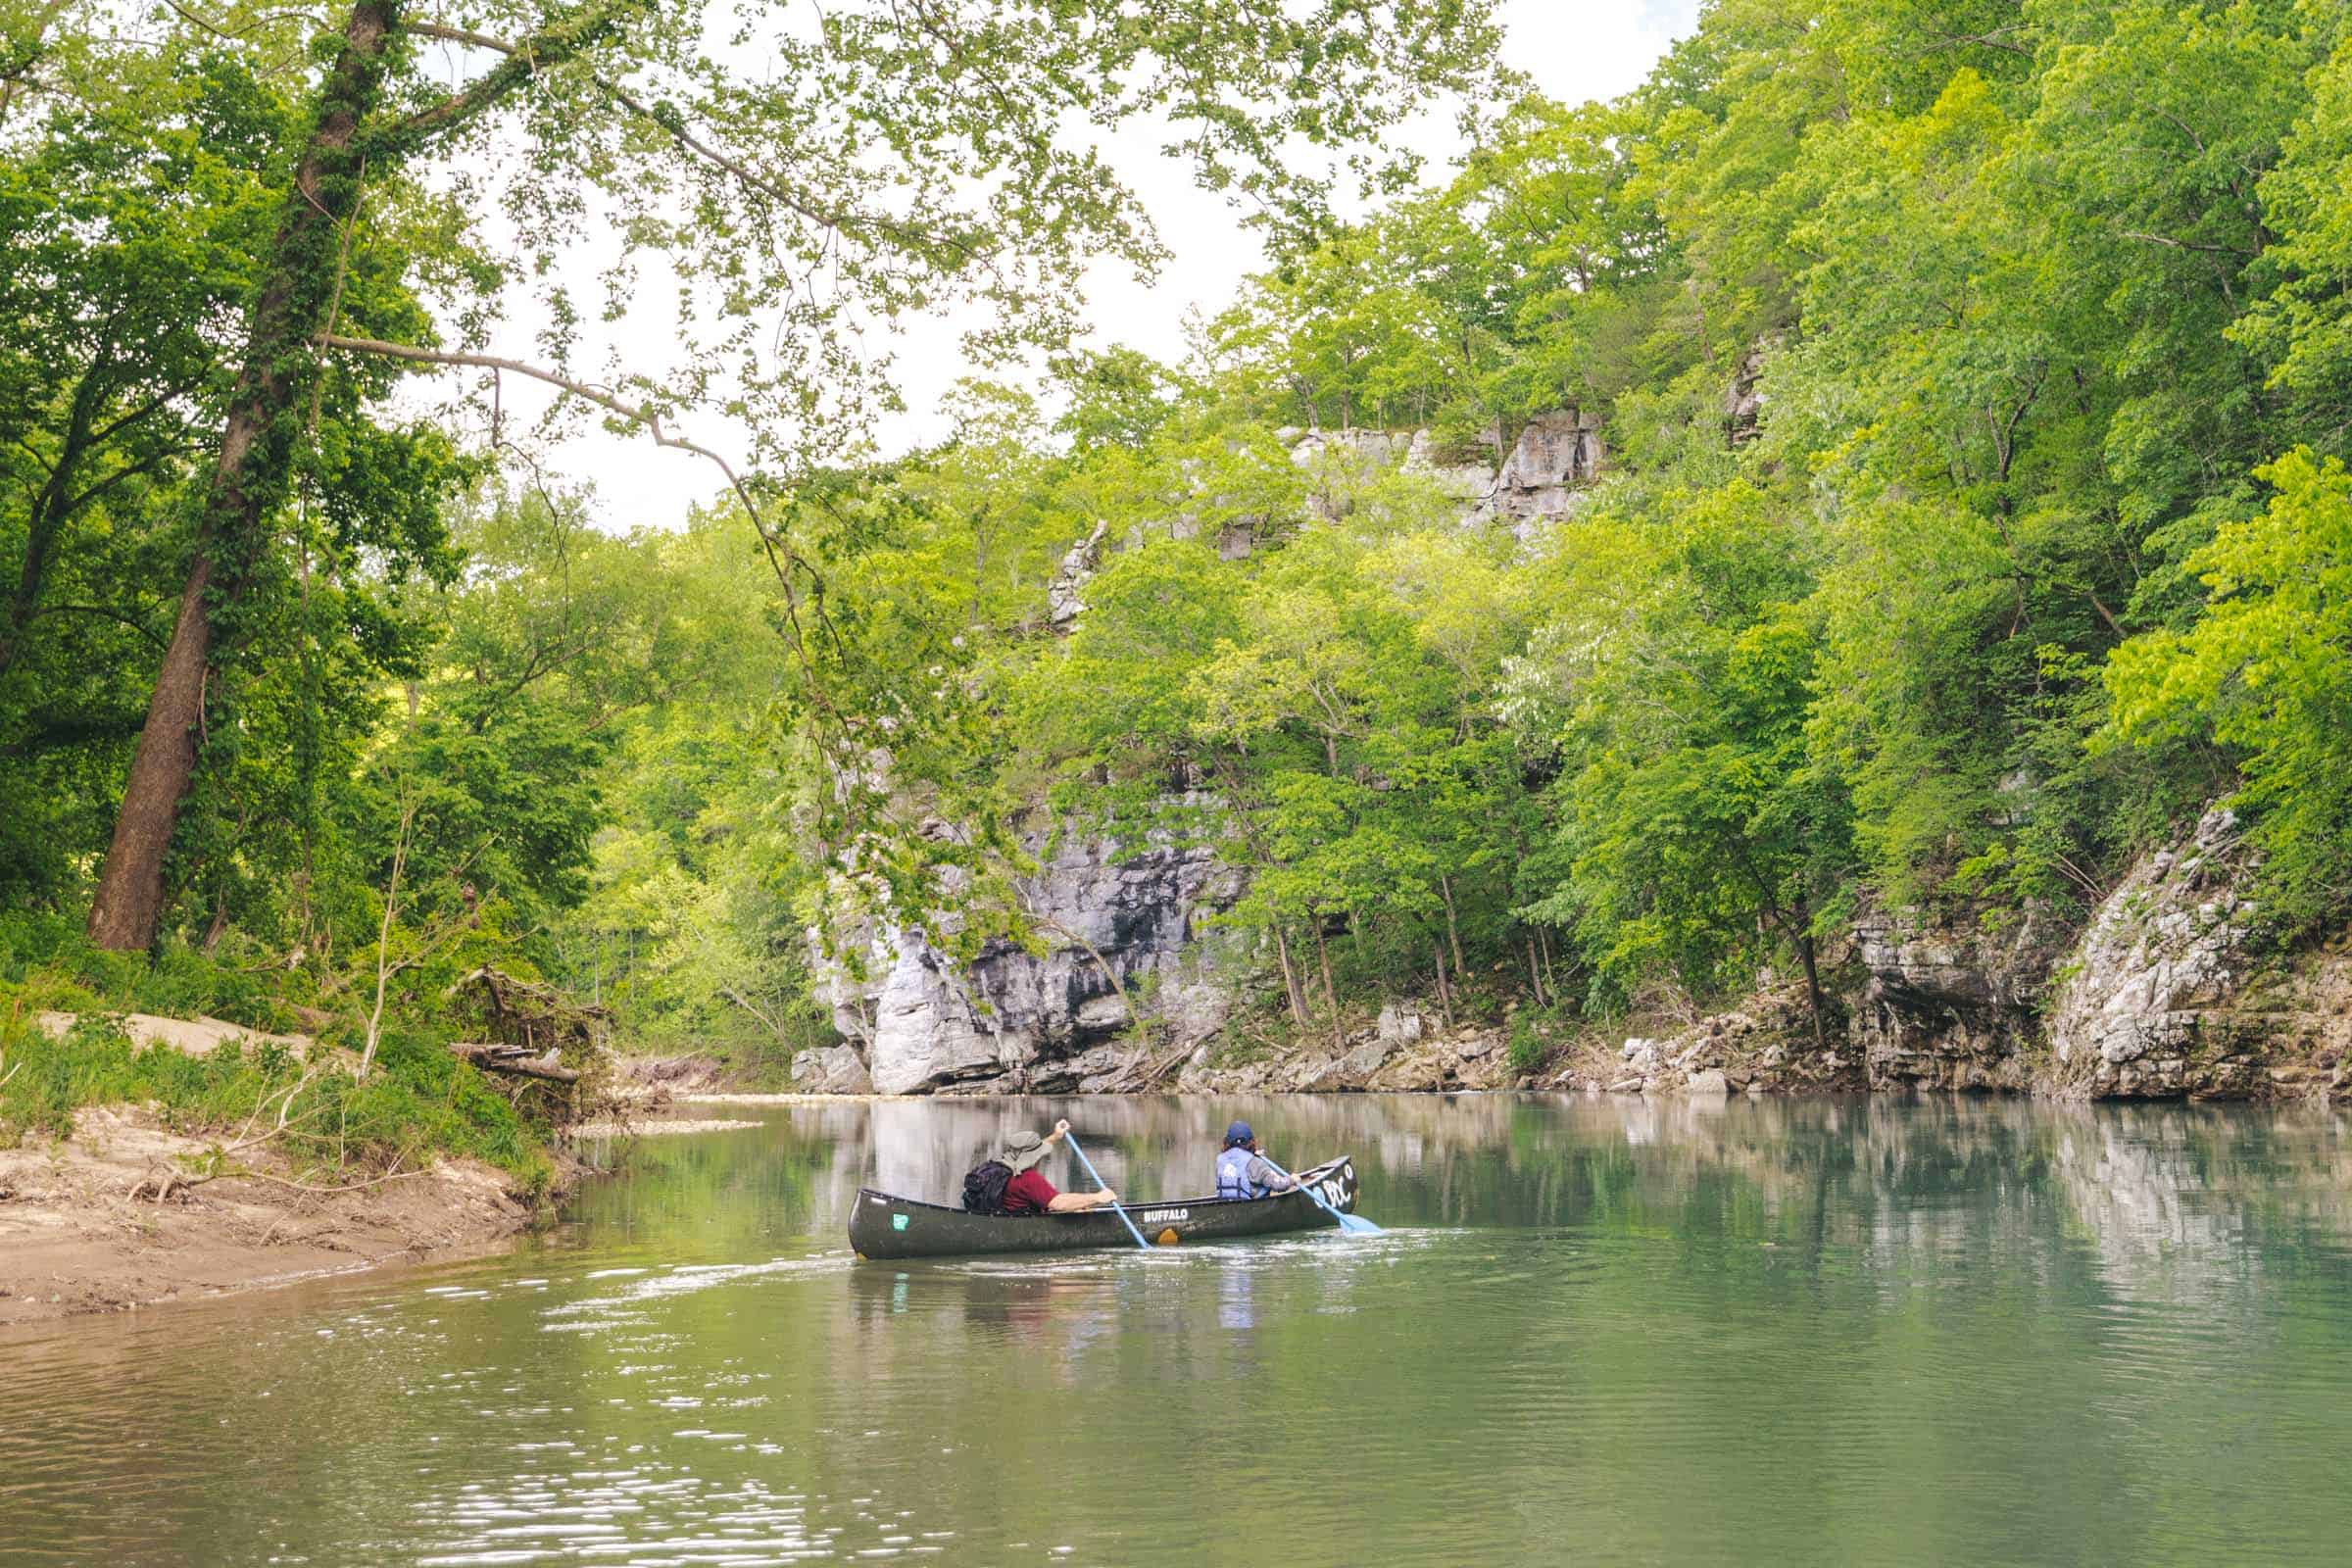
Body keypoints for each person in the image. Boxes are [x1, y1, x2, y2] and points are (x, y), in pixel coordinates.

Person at [999, 1119, 1123, 1215]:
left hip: (1015, 1213)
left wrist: (1056, 1136)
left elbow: (1032, 1150)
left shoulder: (1003, 1167)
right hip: (1024, 1218)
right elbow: (1059, 1203)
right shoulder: (1028, 1178)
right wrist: (1098, 1197)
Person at [1214, 1120, 1298, 1200]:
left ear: (1227, 1141)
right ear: (1251, 1141)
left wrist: (1252, 1155)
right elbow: (1279, 1185)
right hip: (1247, 1206)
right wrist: (1292, 1179)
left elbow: (1237, 1161)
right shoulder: (1254, 1162)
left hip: (1225, 1203)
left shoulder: (1220, 1159)